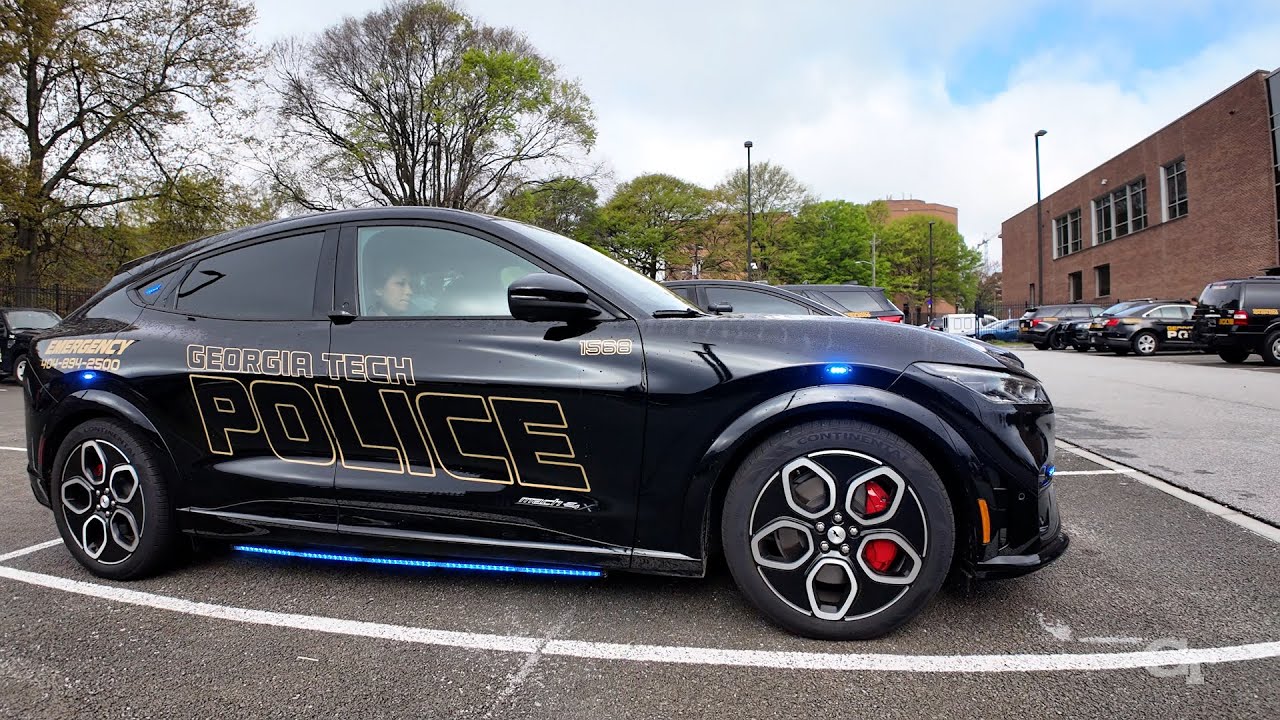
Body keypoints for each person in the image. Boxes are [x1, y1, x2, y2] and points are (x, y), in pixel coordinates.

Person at [362, 237, 414, 316]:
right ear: (378, 288)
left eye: (411, 285)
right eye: (400, 283)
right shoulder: (371, 326)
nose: (409, 292)